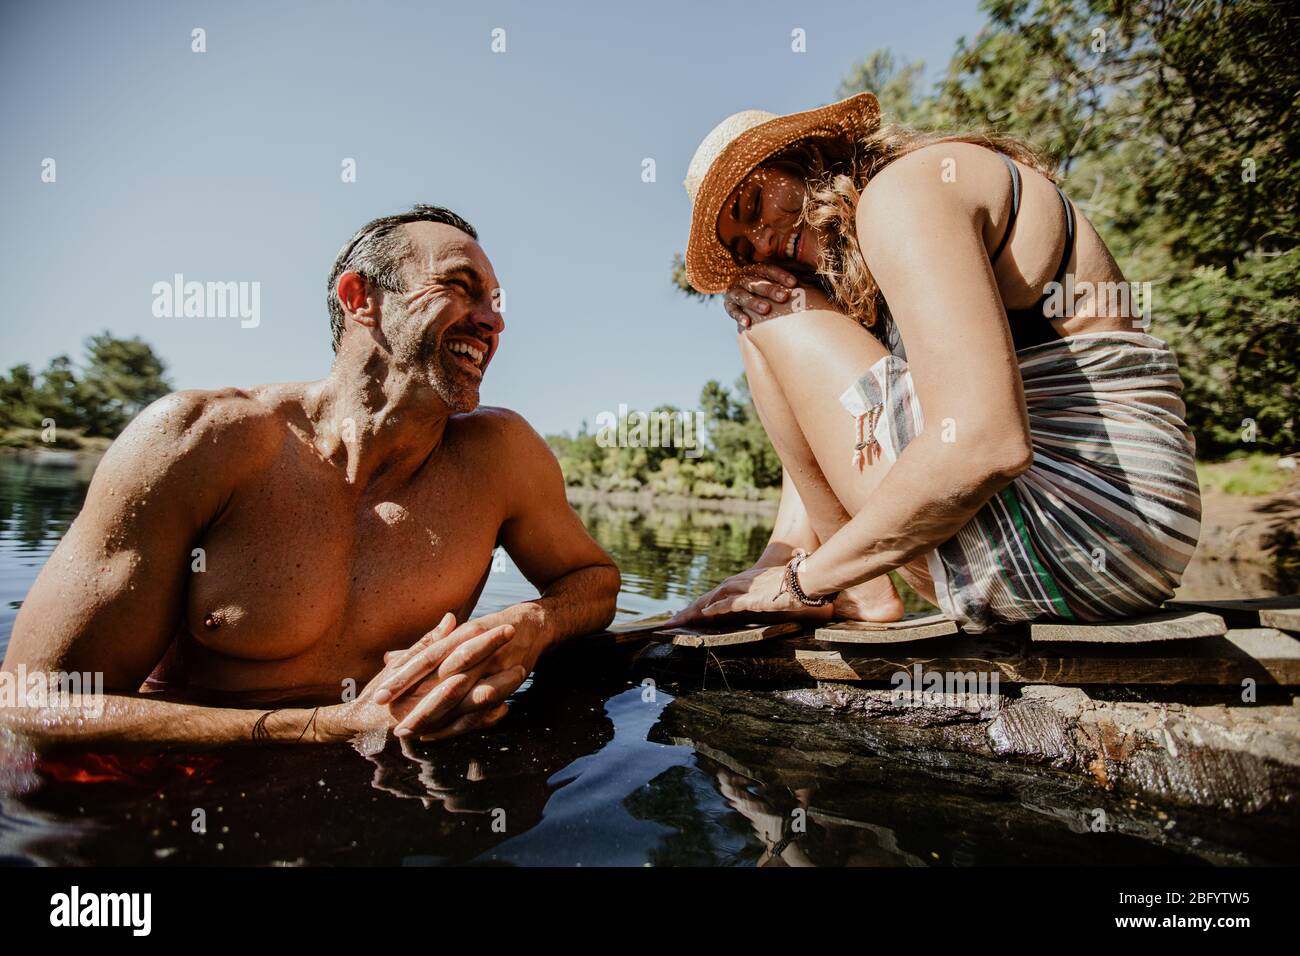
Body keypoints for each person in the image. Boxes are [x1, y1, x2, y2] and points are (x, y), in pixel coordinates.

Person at [1, 205, 620, 745]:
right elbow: (28, 706)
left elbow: (591, 581)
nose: (493, 320)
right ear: (361, 298)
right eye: (460, 286)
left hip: (378, 796)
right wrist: (325, 727)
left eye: (495, 302)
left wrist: (531, 624)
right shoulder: (198, 440)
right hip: (183, 788)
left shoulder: (502, 454)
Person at [669, 93, 1200, 633]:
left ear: (804, 155)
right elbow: (820, 428)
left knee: (767, 309)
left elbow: (985, 443)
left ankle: (849, 584)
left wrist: (803, 582)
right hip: (1129, 544)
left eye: (754, 205)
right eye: (744, 243)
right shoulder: (892, 227)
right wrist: (771, 572)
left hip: (1089, 522)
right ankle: (837, 579)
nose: (763, 241)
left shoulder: (904, 194)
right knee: (758, 301)